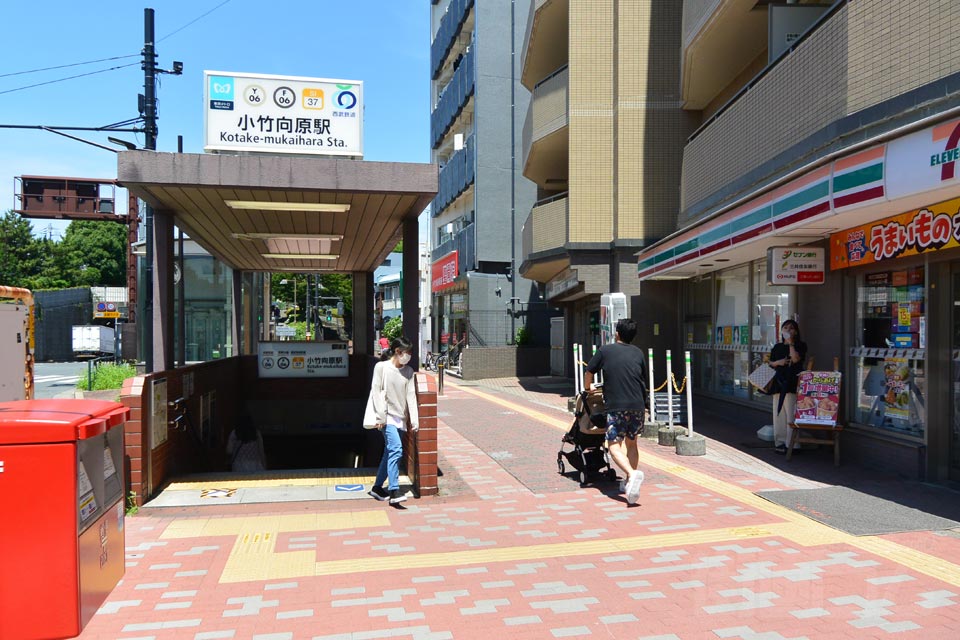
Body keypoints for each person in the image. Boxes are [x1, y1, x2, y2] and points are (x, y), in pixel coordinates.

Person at [584, 318, 648, 505]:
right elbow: (642, 376)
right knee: (632, 444)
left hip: (617, 406)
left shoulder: (605, 350)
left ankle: (632, 474)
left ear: (617, 333)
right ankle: (629, 485)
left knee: (613, 445)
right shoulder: (638, 353)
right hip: (637, 405)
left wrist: (588, 389)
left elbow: (589, 371)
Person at [367, 336, 420, 505]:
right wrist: (380, 417)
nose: (409, 355)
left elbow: (411, 397)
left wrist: (415, 420)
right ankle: (394, 490)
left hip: (400, 418)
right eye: (407, 352)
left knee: (389, 453)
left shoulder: (409, 372)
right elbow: (376, 392)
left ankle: (376, 488)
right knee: (396, 450)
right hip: (386, 417)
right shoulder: (381, 367)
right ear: (398, 352)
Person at [769, 319, 807, 455]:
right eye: (785, 328)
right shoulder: (777, 347)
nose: (788, 330)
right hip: (778, 383)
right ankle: (779, 442)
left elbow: (796, 359)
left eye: (791, 328)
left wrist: (790, 343)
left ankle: (792, 444)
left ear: (796, 331)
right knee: (778, 414)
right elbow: (770, 363)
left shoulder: (800, 345)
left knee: (791, 414)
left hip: (792, 383)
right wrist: (778, 362)